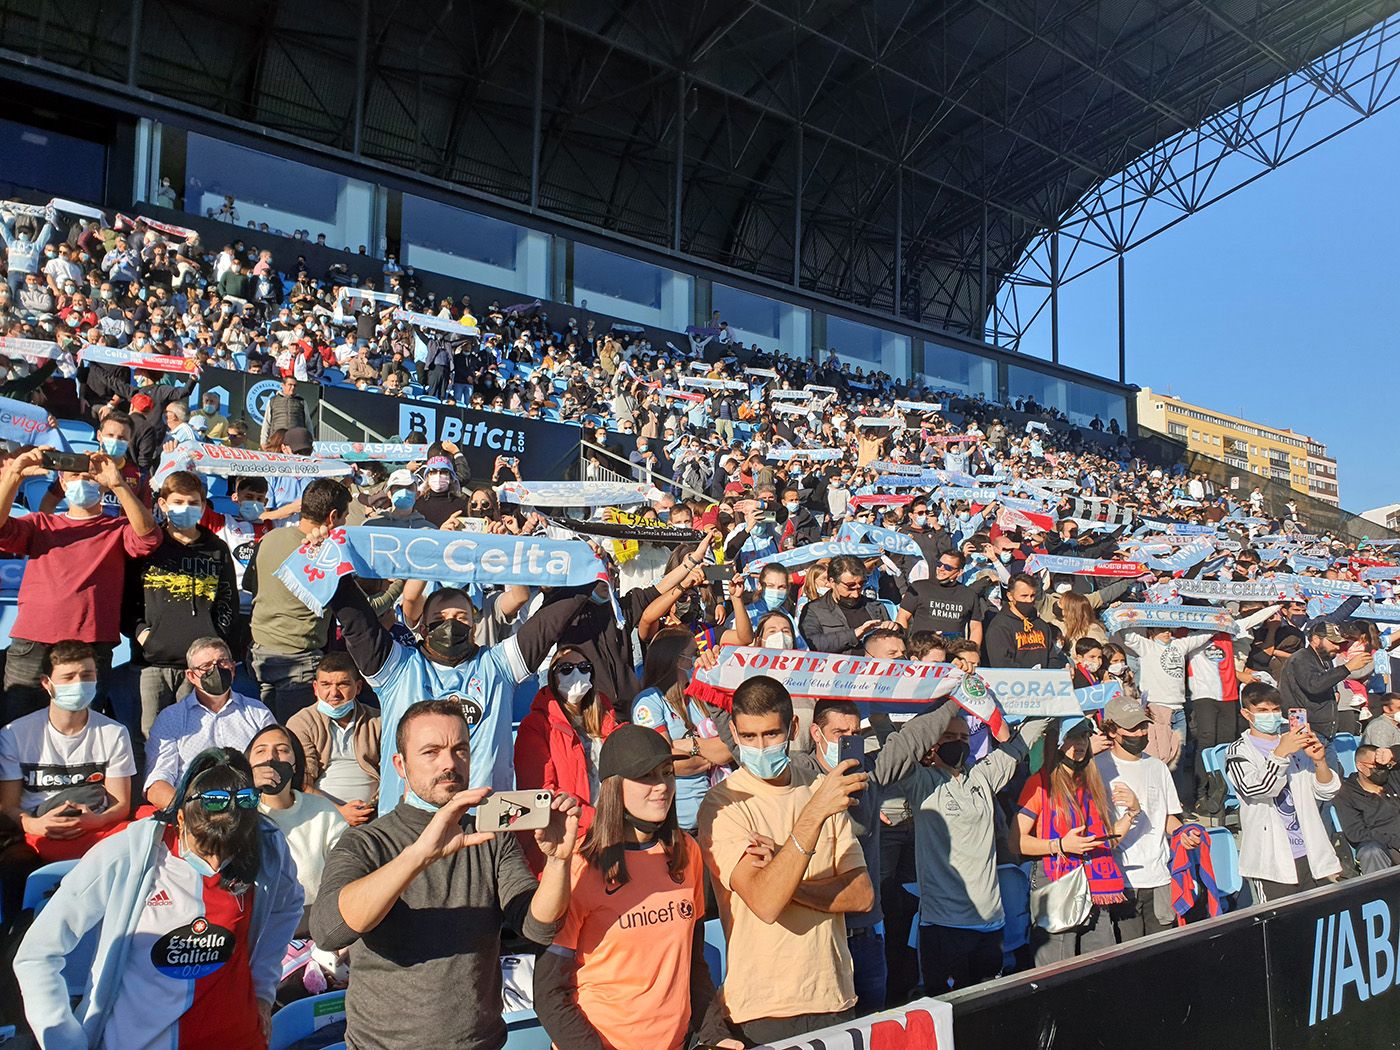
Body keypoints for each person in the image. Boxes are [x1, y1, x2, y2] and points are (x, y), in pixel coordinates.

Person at [309, 698, 581, 1049]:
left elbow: (537, 925)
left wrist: (558, 861)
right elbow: (329, 931)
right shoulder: (366, 842)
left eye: (460, 750)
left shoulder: (491, 837)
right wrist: (419, 856)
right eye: (431, 752)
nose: (449, 763)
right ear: (400, 765)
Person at [14, 748, 303, 1048]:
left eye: (228, 853)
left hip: (238, 1037)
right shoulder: (127, 855)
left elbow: (287, 907)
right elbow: (37, 954)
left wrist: (262, 990)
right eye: (205, 848)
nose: (216, 864)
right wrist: (65, 1042)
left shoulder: (266, 844)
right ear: (179, 818)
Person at [534, 724, 740, 1050]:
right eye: (646, 776)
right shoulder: (580, 865)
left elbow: (693, 965)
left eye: (667, 772)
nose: (661, 787)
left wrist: (716, 1034)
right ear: (614, 787)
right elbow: (549, 992)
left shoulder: (686, 852)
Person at [696, 676, 872, 1043]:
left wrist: (783, 872)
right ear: (733, 731)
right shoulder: (722, 804)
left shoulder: (823, 792)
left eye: (771, 735)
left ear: (792, 728)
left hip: (834, 997)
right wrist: (812, 817)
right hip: (763, 1008)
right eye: (748, 737)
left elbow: (861, 896)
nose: (760, 747)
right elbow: (764, 903)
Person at [326, 569, 592, 812]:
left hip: (484, 823)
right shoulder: (398, 667)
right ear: (422, 627)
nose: (450, 624)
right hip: (409, 827)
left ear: (475, 627)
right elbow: (356, 620)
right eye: (439, 618)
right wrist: (328, 559)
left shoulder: (498, 665)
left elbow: (550, 623)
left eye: (461, 617)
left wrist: (588, 569)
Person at [894, 697, 1046, 992]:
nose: (958, 743)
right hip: (943, 926)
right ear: (932, 743)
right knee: (947, 1011)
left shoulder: (983, 776)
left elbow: (1023, 740)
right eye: (949, 737)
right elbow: (898, 748)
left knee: (986, 1009)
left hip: (990, 923)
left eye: (964, 737)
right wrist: (946, 701)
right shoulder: (921, 781)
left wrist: (1056, 689)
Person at [0, 446, 160, 722]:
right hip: (33, 642)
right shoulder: (41, 524)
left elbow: (148, 536)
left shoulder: (118, 528)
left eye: (89, 476)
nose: (82, 482)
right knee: (14, 725)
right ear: (62, 482)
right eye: (74, 476)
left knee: (82, 728)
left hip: (91, 645)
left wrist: (117, 483)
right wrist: (15, 474)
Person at [0, 641, 134, 889]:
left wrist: (95, 821)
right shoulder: (14, 733)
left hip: (97, 830)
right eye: (68, 677)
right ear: (46, 683)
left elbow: (121, 804)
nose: (78, 684)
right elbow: (8, 806)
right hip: (35, 832)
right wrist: (34, 824)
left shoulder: (114, 732)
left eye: (86, 675)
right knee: (13, 867)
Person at [126, 470, 241, 737]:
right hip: (153, 662)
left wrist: (214, 637)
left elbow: (227, 600)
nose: (186, 508)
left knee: (196, 734)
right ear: (163, 504)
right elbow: (128, 601)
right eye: (178, 502)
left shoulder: (217, 548)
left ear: (203, 506)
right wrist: (144, 635)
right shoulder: (148, 546)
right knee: (150, 734)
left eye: (193, 503)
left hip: (200, 666)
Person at [1016, 717, 1138, 965]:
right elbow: (1015, 842)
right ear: (1057, 741)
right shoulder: (1039, 783)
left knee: (1101, 965)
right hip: (1056, 881)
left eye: (1083, 736)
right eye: (1072, 736)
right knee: (1056, 970)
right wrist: (1060, 845)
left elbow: (1105, 843)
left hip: (1095, 883)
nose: (1079, 743)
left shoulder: (1091, 784)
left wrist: (1132, 813)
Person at [1225, 683, 1340, 903]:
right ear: (1246, 713)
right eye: (1263, 711)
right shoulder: (1238, 751)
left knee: (1319, 925)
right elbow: (1256, 788)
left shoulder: (1295, 743)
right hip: (1272, 861)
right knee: (1282, 929)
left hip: (1311, 853)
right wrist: (1280, 753)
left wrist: (1319, 761)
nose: (1271, 716)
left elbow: (1326, 791)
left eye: (1275, 710)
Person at [1093, 695, 1198, 938]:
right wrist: (1132, 810)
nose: (1140, 733)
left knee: (1162, 953)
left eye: (1142, 725)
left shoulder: (1158, 767)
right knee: (1129, 956)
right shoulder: (1097, 768)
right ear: (1111, 730)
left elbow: (1167, 818)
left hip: (1159, 877)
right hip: (1121, 880)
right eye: (1131, 728)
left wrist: (1184, 833)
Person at [246, 477, 349, 722]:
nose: (345, 523)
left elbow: (249, 585)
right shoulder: (325, 556)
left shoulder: (269, 538)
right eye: (345, 517)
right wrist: (402, 583)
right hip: (299, 664)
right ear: (333, 517)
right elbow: (356, 609)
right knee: (294, 742)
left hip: (259, 655)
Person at [514, 647, 621, 872]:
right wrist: (597, 819)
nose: (576, 675)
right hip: (570, 841)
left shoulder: (607, 719)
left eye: (583, 668)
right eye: (566, 668)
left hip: (614, 835)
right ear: (552, 676)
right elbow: (543, 795)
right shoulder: (535, 725)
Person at [145, 637, 275, 809]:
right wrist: (194, 812)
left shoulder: (258, 713)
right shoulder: (171, 718)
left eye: (222, 662)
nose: (216, 670)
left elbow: (273, 767)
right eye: (206, 666)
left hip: (248, 810)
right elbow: (156, 784)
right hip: (194, 815)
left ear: (233, 669)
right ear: (191, 676)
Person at [631, 628, 732, 833]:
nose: (698, 660)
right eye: (693, 654)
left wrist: (690, 746)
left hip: (716, 817)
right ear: (677, 660)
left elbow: (729, 748)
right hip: (677, 826)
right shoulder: (649, 701)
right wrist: (712, 753)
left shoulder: (699, 697)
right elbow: (664, 762)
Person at [246, 724, 346, 909]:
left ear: (295, 763)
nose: (270, 757)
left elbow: (347, 862)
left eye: (282, 750)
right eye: (261, 751)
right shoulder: (239, 810)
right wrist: (245, 788)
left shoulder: (321, 810)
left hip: (312, 921)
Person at [287, 652, 381, 826]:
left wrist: (373, 806)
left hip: (374, 814)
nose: (334, 693)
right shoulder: (301, 722)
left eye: (343, 684)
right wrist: (339, 810)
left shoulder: (377, 720)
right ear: (315, 688)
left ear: (358, 687)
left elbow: (391, 770)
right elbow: (303, 782)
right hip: (320, 815)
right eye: (326, 684)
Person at [1279, 619, 1373, 742]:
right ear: (1316, 639)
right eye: (1333, 642)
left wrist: (1335, 691)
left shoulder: (1326, 660)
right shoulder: (1301, 658)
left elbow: (1325, 682)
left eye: (1340, 643)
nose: (1337, 647)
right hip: (1305, 731)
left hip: (1323, 732)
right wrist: (1347, 667)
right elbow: (1314, 685)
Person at [797, 554, 894, 654]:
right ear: (832, 582)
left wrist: (894, 629)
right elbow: (811, 644)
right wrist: (855, 634)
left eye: (861, 585)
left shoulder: (875, 607)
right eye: (850, 587)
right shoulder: (813, 610)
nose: (856, 594)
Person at [1335, 743, 1400, 874]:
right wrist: (1394, 841)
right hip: (1382, 845)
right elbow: (1356, 833)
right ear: (1360, 766)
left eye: (1384, 766)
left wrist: (1392, 753)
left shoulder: (1391, 778)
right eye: (1376, 766)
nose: (1382, 770)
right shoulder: (1346, 793)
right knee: (1371, 852)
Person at [897, 548, 983, 645]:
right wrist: (904, 644)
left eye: (948, 567)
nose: (941, 568)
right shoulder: (919, 587)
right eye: (939, 564)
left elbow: (975, 627)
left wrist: (972, 652)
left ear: (959, 572)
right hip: (922, 651)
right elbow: (902, 617)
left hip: (953, 653)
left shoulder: (969, 594)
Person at [983, 573, 1062, 669]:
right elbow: (1002, 663)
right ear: (1010, 596)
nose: (1029, 600)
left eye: (1032, 595)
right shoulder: (999, 626)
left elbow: (1052, 658)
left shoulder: (1041, 625)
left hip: (1044, 682)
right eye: (1024, 596)